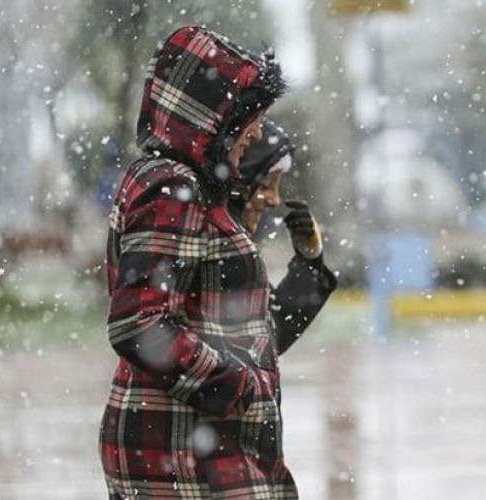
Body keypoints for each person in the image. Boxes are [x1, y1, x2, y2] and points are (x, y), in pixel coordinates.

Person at [99, 26, 295, 498]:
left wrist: (310, 276)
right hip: (185, 446)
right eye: (247, 116)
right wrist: (237, 389)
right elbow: (139, 323)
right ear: (211, 117)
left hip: (200, 441)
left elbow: (235, 319)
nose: (255, 130)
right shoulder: (172, 187)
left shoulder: (185, 185)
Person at [232, 119, 337, 355]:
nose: (275, 200)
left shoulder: (237, 251)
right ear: (240, 183)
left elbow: (272, 333)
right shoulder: (212, 246)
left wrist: (310, 259)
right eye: (267, 185)